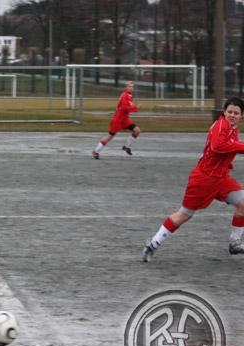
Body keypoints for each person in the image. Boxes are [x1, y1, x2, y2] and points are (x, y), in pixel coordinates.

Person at [143, 97, 244, 262]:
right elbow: (218, 146)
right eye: (229, 112)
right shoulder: (220, 125)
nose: (232, 115)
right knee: (184, 215)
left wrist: (227, 164)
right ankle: (152, 244)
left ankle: (235, 242)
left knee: (243, 203)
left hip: (221, 179)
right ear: (224, 112)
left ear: (241, 116)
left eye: (236, 113)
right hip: (204, 179)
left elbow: (227, 150)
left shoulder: (234, 128)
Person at [92, 81, 142, 159]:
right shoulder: (124, 95)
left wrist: (134, 107)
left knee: (137, 130)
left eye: (132, 86)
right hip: (117, 119)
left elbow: (127, 108)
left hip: (125, 119)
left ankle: (126, 147)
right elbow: (126, 108)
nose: (131, 88)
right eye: (129, 86)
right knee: (110, 136)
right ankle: (96, 151)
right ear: (126, 87)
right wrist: (136, 108)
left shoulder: (129, 95)